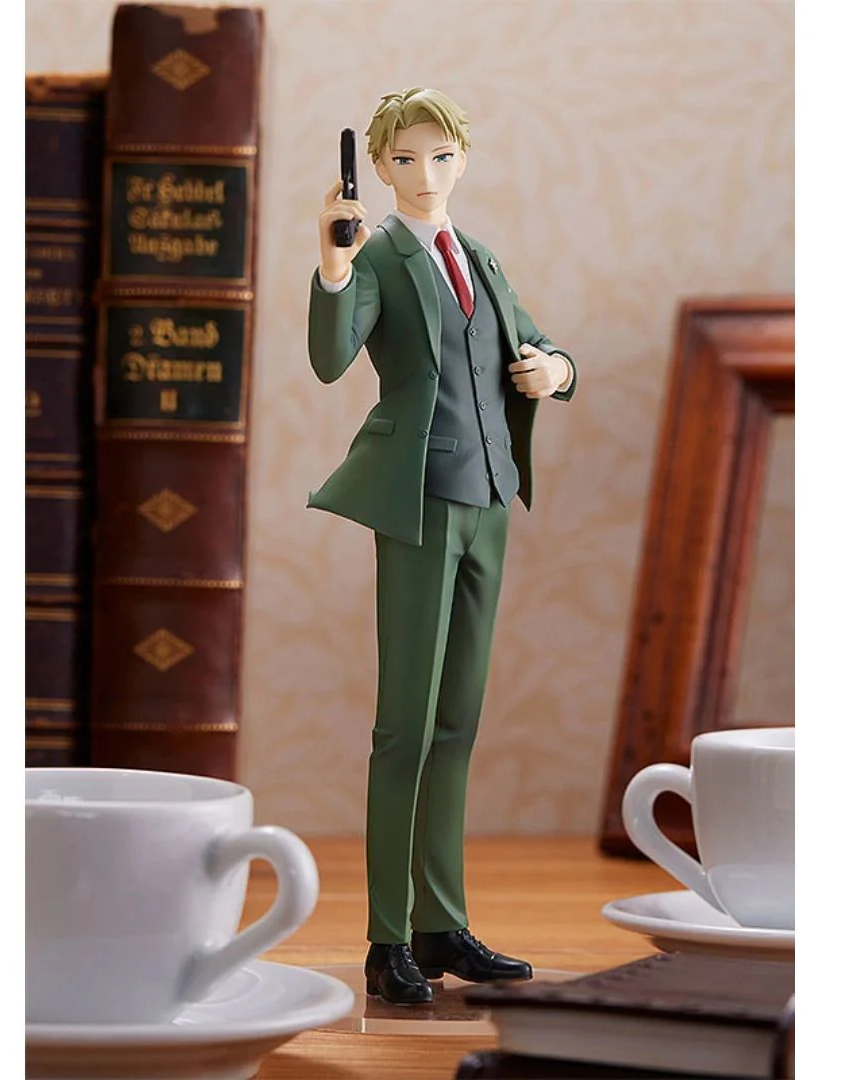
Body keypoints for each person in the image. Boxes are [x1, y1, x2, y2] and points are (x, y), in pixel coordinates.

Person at [307, 87, 577, 1005]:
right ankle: (388, 938)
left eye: (442, 156)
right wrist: (333, 266)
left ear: (464, 158)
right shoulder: (379, 256)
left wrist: (555, 370)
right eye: (405, 159)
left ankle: (441, 921)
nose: (425, 175)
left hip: (491, 499)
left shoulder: (481, 257)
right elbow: (331, 358)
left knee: (458, 720)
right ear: (380, 168)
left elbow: (536, 345)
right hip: (420, 502)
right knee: (405, 728)